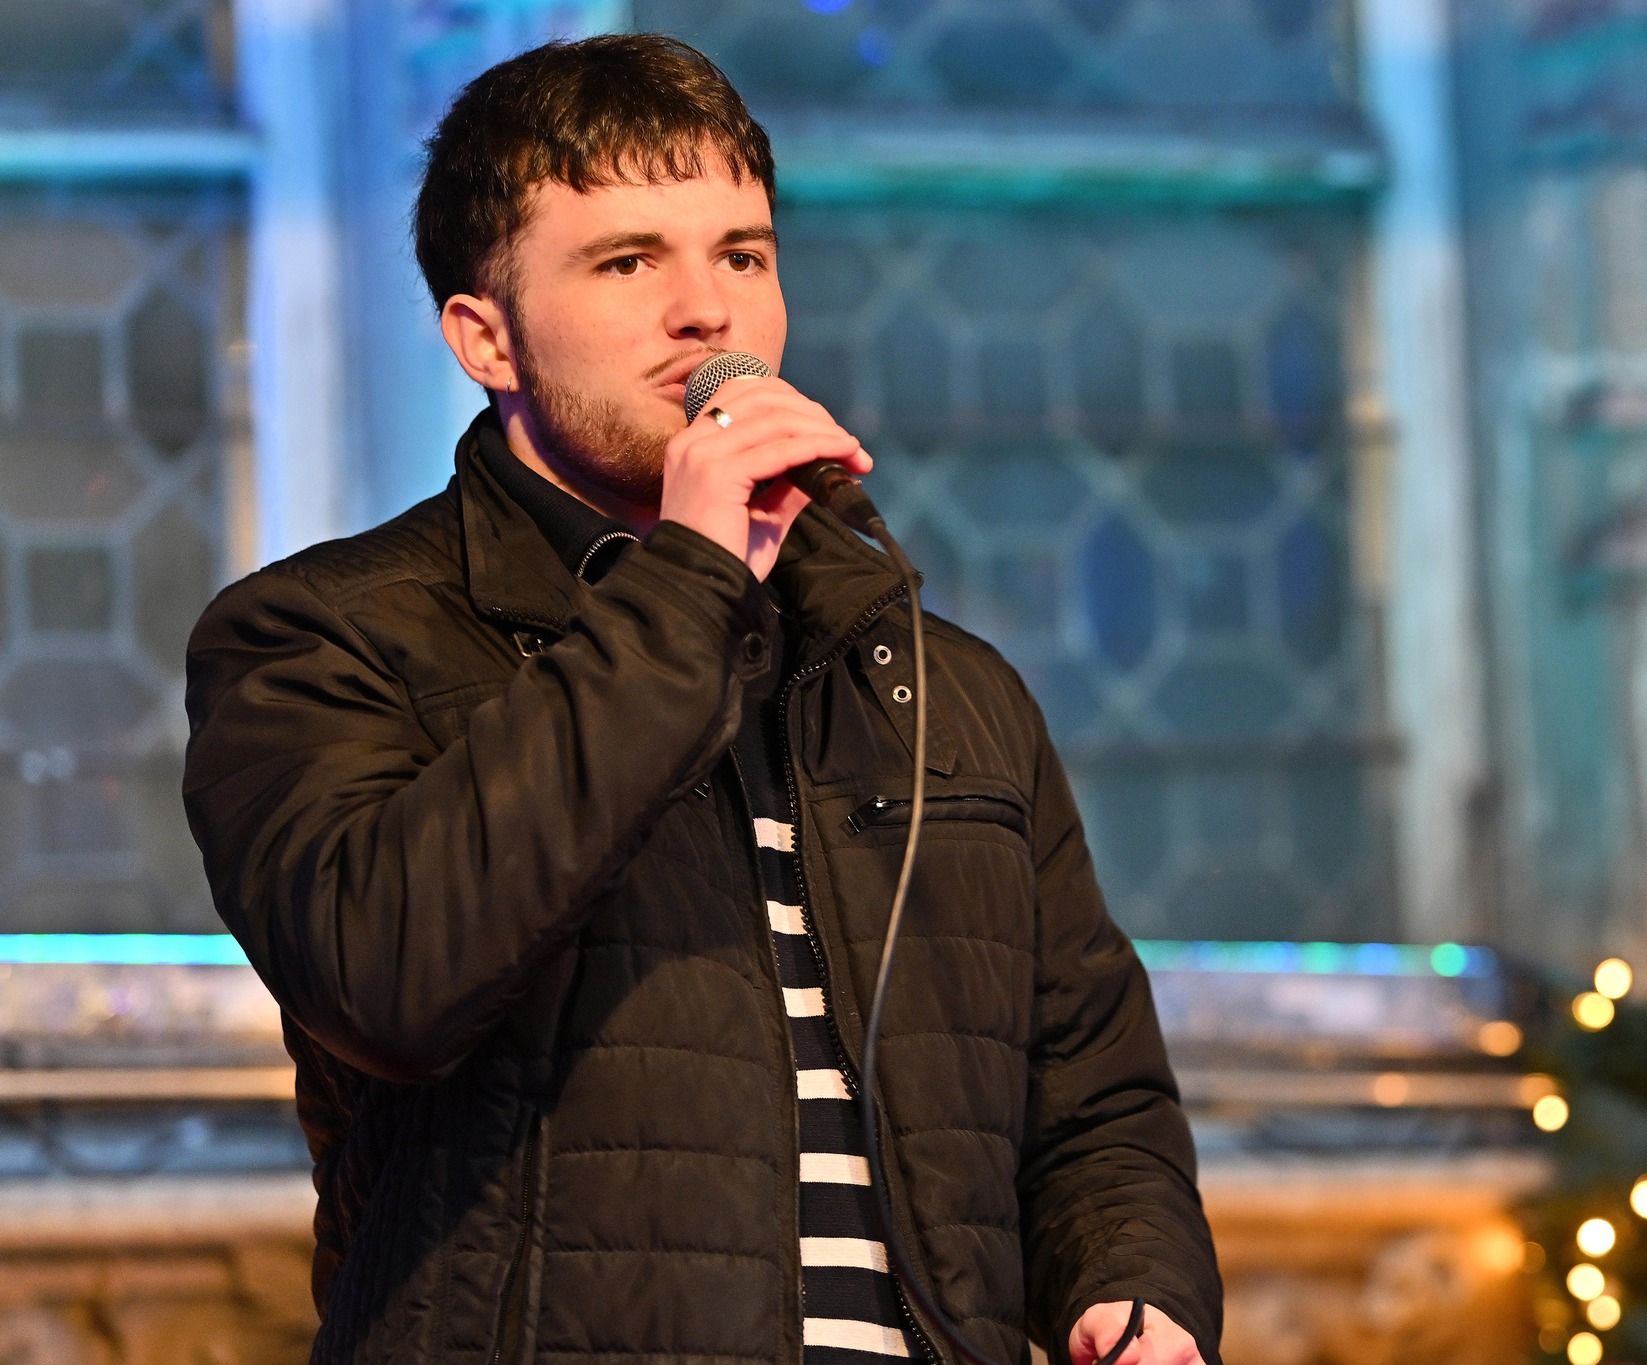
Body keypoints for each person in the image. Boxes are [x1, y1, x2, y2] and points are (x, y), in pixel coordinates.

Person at [181, 33, 1221, 1365]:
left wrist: (1134, 1291)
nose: (706, 312)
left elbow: (1094, 1102)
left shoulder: (936, 683)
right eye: (628, 262)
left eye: (741, 254)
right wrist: (689, 579)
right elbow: (388, 976)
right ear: (486, 338)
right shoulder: (321, 635)